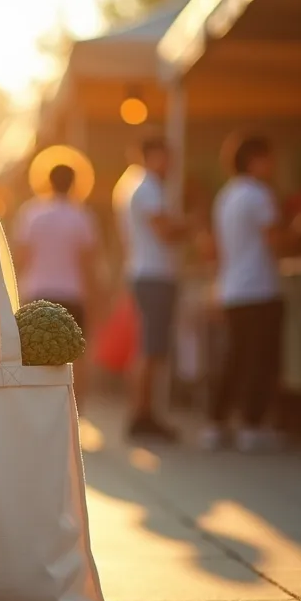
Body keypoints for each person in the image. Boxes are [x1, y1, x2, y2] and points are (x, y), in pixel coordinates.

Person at [205, 133, 284, 452]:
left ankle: (216, 421)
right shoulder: (259, 194)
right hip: (260, 287)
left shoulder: (225, 197)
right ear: (255, 160)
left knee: (235, 357)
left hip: (233, 287)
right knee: (260, 359)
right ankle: (252, 424)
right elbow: (275, 240)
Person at [14, 164, 100, 412]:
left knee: (34, 353)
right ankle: (75, 409)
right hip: (72, 293)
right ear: (75, 182)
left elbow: (21, 257)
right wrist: (96, 299)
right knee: (78, 355)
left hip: (37, 292)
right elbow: (88, 264)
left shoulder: (31, 213)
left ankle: (38, 406)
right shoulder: (82, 216)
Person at [118, 136, 184, 442]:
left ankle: (143, 413)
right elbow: (165, 230)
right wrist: (192, 223)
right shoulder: (147, 187)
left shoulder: (132, 184)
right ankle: (142, 414)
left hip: (146, 273)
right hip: (154, 274)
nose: (169, 163)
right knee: (150, 347)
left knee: (150, 346)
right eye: (165, 156)